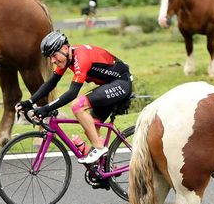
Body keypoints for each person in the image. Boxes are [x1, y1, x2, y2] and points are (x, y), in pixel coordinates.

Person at [16, 30, 132, 165]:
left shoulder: (80, 58)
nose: (53, 61)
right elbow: (51, 83)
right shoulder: (67, 58)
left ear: (65, 48)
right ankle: (106, 167)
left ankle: (99, 149)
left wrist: (46, 108)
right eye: (50, 58)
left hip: (121, 83)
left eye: (54, 56)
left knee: (78, 106)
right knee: (91, 128)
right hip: (108, 85)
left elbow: (72, 93)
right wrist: (29, 102)